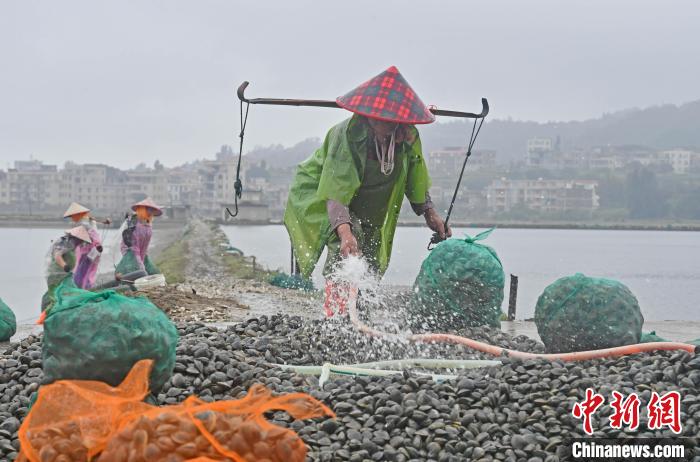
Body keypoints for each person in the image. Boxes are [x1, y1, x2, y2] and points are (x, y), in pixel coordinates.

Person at [284, 66, 451, 317]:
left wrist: (430, 213)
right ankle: (337, 316)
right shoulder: (348, 135)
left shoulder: (406, 135)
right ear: (368, 115)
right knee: (347, 249)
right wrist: (345, 232)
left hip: (373, 204)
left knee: (370, 254)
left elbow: (415, 174)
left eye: (391, 121)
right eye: (379, 119)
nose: (385, 125)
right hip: (326, 194)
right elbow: (336, 190)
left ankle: (361, 313)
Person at [42, 226, 92, 311]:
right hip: (56, 275)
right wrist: (65, 266)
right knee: (56, 296)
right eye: (81, 240)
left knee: (67, 294)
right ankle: (52, 314)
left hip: (64, 275)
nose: (82, 242)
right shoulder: (67, 242)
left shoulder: (72, 244)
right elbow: (57, 255)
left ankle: (62, 311)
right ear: (77, 237)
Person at [63, 202, 111, 289]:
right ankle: (85, 287)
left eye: (73, 216)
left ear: (77, 214)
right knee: (87, 270)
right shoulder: (86, 220)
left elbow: (93, 234)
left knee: (83, 270)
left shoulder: (84, 223)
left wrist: (97, 244)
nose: (72, 218)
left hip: (89, 249)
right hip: (90, 249)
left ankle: (82, 288)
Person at [116, 197, 162, 280]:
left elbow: (145, 246)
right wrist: (140, 265)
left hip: (141, 251)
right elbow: (134, 247)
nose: (151, 212)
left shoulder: (148, 226)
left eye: (152, 210)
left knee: (147, 270)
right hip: (130, 250)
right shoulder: (134, 224)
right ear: (143, 209)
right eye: (149, 209)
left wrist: (143, 259)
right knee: (133, 268)